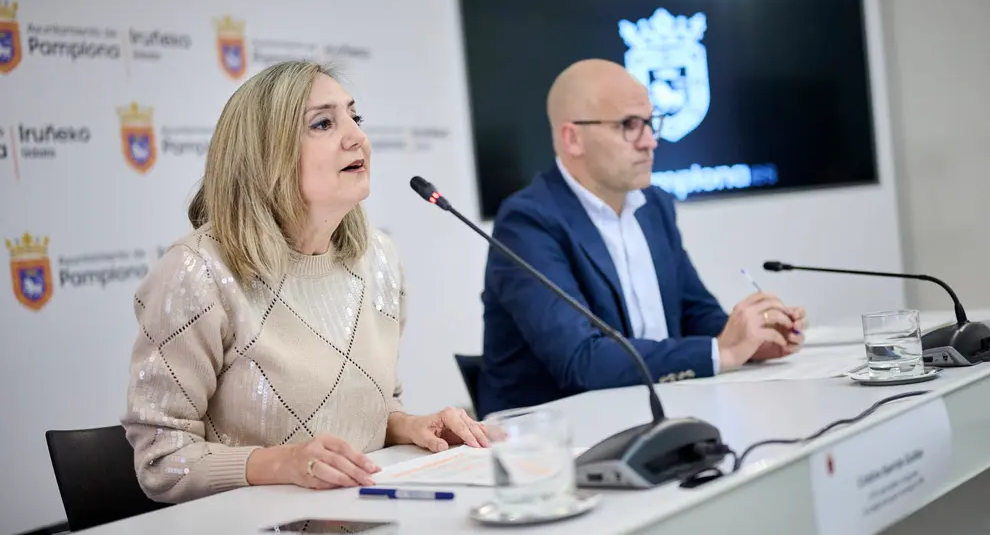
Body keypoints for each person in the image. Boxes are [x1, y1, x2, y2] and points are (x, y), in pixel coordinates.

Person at [121, 60, 488, 505]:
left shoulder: (379, 258)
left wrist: (406, 425)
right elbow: (161, 462)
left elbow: (363, 407)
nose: (356, 136)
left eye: (356, 117)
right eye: (323, 123)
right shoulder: (197, 272)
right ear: (264, 153)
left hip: (360, 513)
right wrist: (280, 463)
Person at [477, 59, 808, 417]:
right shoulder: (526, 223)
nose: (650, 141)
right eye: (629, 125)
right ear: (573, 138)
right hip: (559, 439)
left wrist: (755, 338)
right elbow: (581, 360)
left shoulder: (654, 205)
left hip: (661, 411)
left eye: (650, 123)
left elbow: (695, 312)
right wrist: (720, 352)